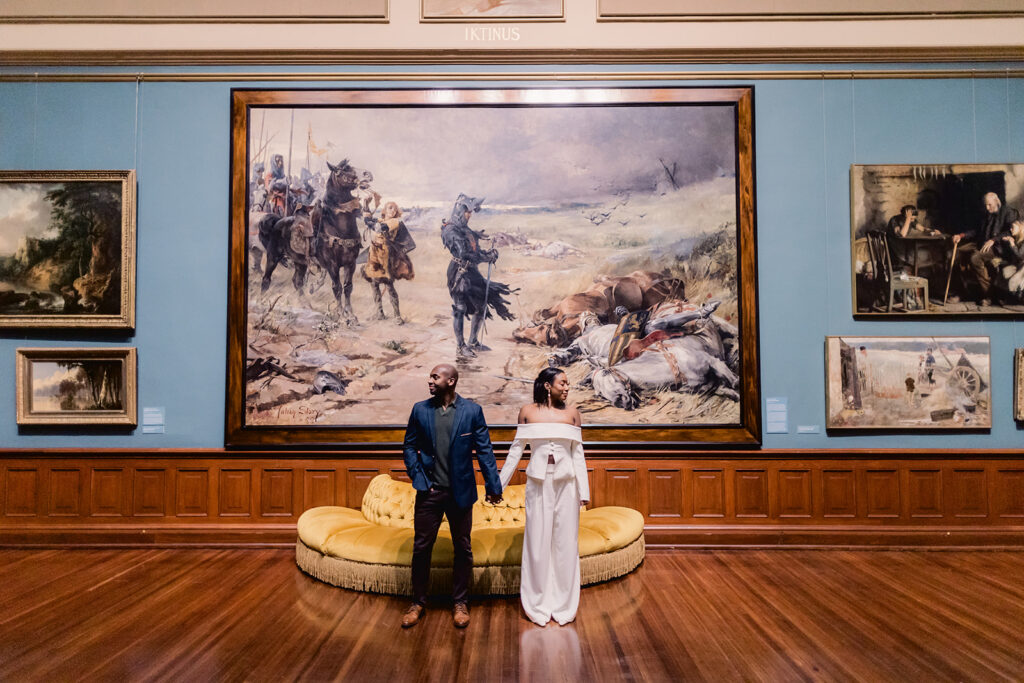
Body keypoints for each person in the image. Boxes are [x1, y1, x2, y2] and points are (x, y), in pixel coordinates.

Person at [401, 363, 503, 629]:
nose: (430, 381)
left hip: (461, 492)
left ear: (451, 381)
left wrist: (493, 486)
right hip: (429, 492)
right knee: (421, 549)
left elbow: (484, 451)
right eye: (430, 377)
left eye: (435, 377)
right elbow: (409, 446)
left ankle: (460, 603)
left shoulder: (472, 411)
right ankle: (418, 603)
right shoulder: (420, 409)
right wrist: (418, 476)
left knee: (463, 548)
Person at [498, 367, 590, 626]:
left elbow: (578, 455)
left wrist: (584, 491)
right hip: (537, 484)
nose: (567, 387)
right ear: (548, 386)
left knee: (565, 543)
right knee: (536, 542)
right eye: (563, 383)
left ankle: (563, 605)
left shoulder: (573, 414)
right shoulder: (527, 412)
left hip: (567, 485)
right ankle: (537, 604)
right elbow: (516, 452)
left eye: (568, 383)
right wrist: (499, 485)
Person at [441, 194, 515, 359]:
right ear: (460, 211)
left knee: (481, 306)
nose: (469, 215)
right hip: (459, 272)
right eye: (467, 212)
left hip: (471, 271)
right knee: (460, 308)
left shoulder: (466, 230)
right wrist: (485, 257)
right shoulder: (450, 230)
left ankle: (473, 341)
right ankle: (461, 347)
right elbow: (464, 253)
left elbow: (475, 251)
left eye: (470, 212)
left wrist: (489, 254)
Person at [952, 192, 1020, 304]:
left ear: (996, 201)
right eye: (986, 205)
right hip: (981, 244)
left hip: (998, 248)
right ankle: (962, 292)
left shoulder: (1008, 212)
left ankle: (988, 294)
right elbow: (976, 231)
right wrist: (961, 236)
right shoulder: (986, 213)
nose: (987, 208)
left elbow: (1011, 232)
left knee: (975, 258)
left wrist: (994, 239)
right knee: (956, 253)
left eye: (989, 205)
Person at [361, 201, 415, 323]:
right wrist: (366, 205)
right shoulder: (380, 220)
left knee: (389, 285)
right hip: (374, 254)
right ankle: (379, 313)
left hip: (387, 256)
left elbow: (378, 228)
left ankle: (397, 316)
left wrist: (368, 220)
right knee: (374, 284)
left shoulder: (394, 222)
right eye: (390, 208)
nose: (393, 211)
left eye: (395, 209)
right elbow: (371, 221)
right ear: (384, 210)